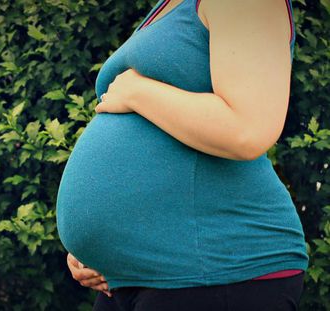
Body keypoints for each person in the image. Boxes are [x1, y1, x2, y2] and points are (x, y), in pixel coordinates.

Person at [57, 0, 309, 310]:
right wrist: (103, 250)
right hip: (143, 279)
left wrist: (137, 91)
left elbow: (248, 130)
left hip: (219, 271)